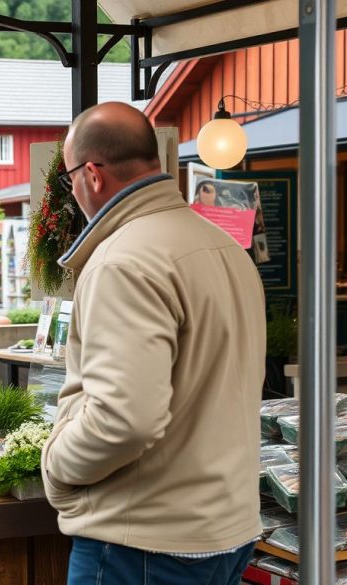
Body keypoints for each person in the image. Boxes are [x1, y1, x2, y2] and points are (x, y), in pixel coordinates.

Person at [41, 102, 266, 584]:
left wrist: (55, 465)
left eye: (70, 179)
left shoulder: (121, 260)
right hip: (225, 529)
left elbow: (123, 419)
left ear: (93, 175)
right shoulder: (225, 247)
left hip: (143, 540)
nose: (74, 191)